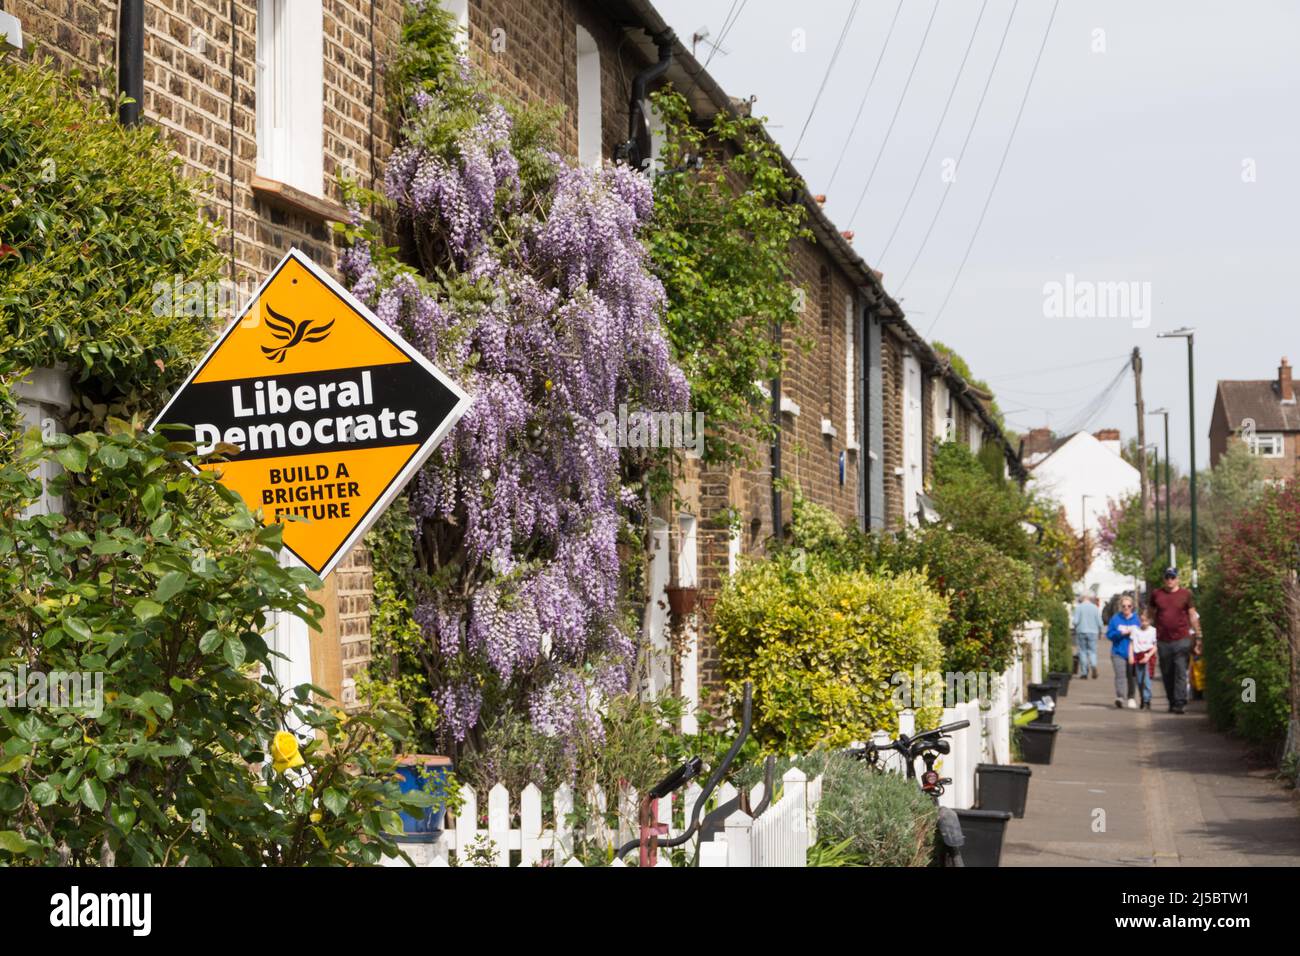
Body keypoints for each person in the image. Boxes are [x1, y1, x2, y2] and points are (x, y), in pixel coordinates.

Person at [1147, 568, 1200, 714]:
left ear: (1177, 579)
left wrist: (1198, 635)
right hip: (1163, 640)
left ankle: (1180, 702)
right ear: (1164, 579)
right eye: (1167, 577)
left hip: (1182, 639)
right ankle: (1171, 701)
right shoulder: (1156, 594)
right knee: (1167, 672)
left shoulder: (1186, 594)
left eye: (1172, 577)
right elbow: (1150, 613)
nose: (1170, 580)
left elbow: (1192, 615)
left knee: (1180, 670)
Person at [1105, 595, 1140, 708]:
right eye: (1124, 606)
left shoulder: (1137, 619)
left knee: (1131, 676)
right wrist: (1121, 633)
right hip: (1118, 652)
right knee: (1120, 675)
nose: (1126, 608)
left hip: (1133, 653)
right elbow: (1109, 635)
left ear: (1132, 607)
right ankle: (1120, 697)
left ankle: (1131, 697)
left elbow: (1142, 634)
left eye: (1129, 606)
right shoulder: (1115, 619)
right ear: (1121, 606)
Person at [1127, 607, 1158, 710]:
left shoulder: (1153, 631)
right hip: (1138, 655)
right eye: (1142, 620)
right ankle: (1142, 698)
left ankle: (1146, 700)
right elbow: (1131, 644)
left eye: (1146, 621)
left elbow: (1155, 646)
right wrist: (1130, 655)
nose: (1144, 623)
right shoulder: (1135, 630)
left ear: (1150, 620)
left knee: (1146, 680)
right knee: (1139, 680)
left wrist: (1148, 656)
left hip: (1148, 656)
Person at [1072, 593, 1104, 679]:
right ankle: (1093, 665)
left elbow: (1075, 621)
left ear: (1082, 598)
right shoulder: (1095, 608)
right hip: (1093, 632)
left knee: (1082, 651)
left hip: (1081, 631)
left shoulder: (1079, 608)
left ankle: (1084, 673)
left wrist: (1075, 627)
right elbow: (1100, 622)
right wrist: (1100, 631)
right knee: (1092, 651)